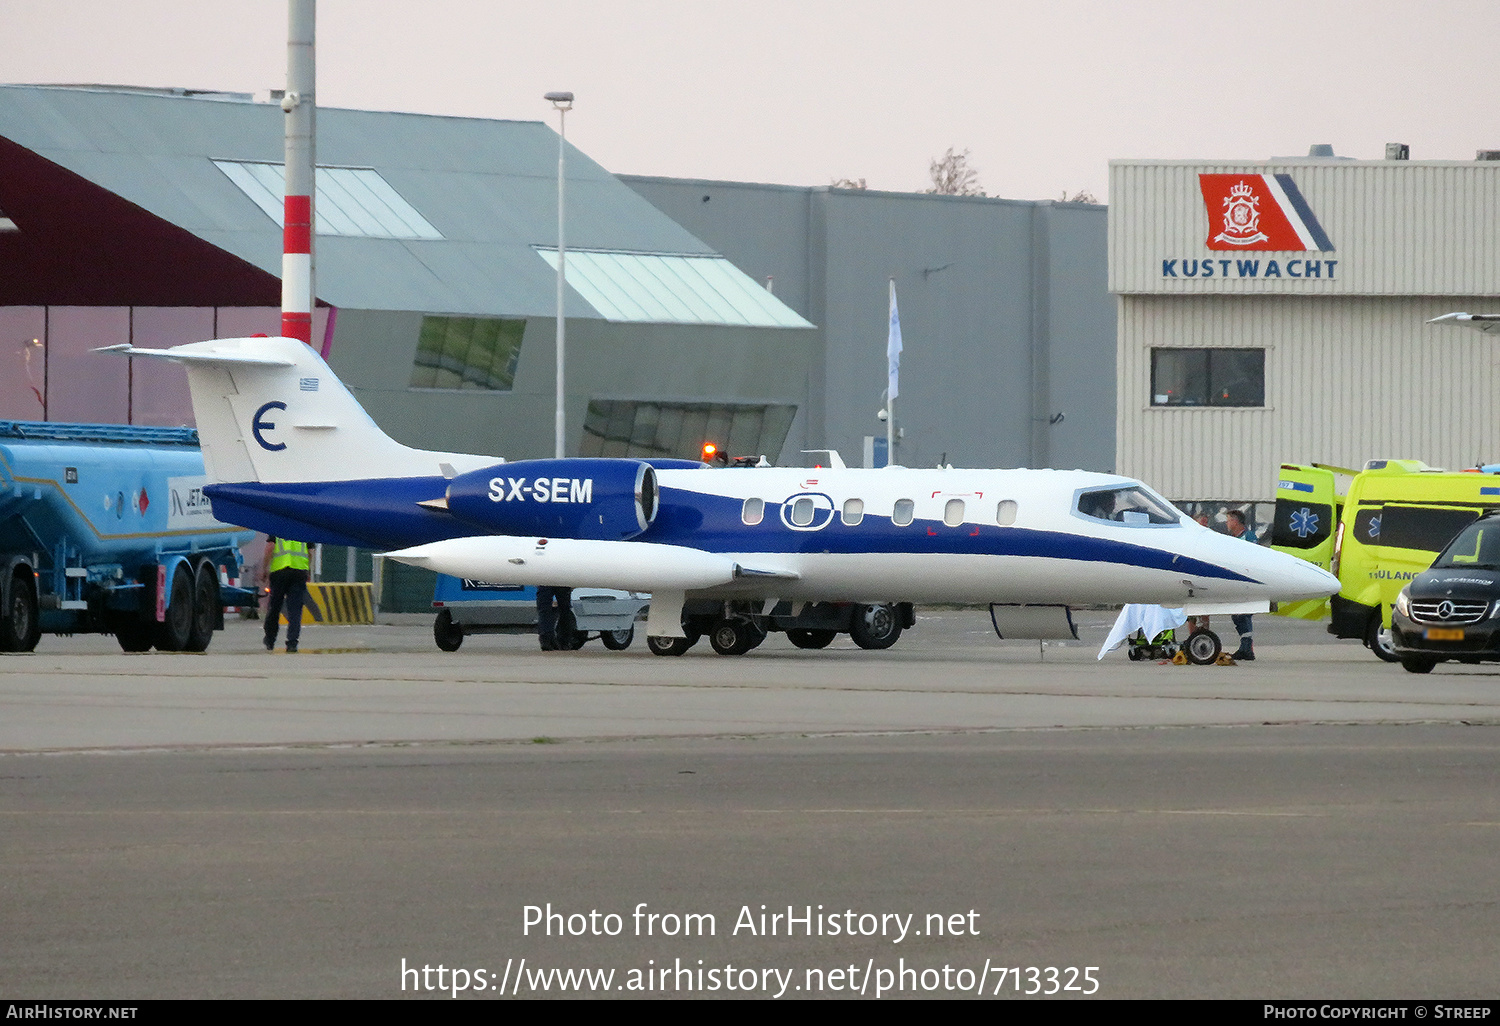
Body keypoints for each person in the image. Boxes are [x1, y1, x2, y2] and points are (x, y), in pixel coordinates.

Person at [262, 535, 310, 653]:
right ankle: (292, 643)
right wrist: (308, 570)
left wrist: (265, 568)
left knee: (275, 607)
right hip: (299, 572)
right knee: (295, 610)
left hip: (279, 572)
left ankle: (270, 639)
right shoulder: (305, 530)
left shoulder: (277, 527)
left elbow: (270, 547)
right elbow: (310, 552)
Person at [1225, 510, 1257, 660]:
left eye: (1229, 520)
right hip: (1236, 581)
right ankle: (1245, 647)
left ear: (1236, 522)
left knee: (1243, 614)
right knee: (1238, 615)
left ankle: (1246, 648)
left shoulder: (1249, 537)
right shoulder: (1232, 539)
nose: (1227, 523)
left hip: (1247, 581)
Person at [535, 586, 575, 651]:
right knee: (564, 610)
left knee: (544, 609)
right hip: (561, 579)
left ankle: (546, 638)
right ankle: (564, 641)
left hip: (545, 579)